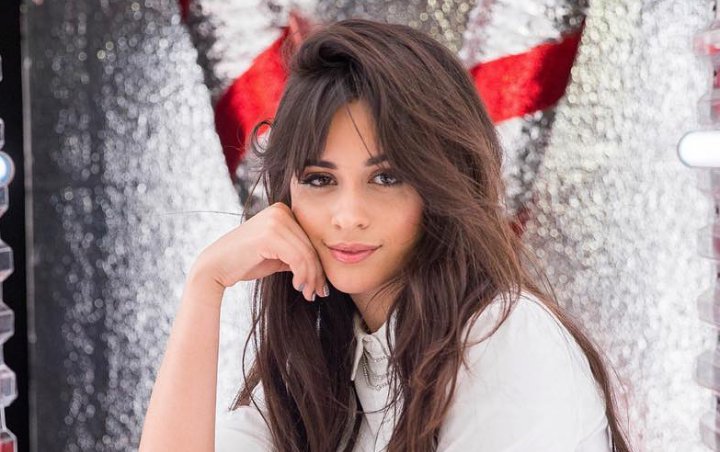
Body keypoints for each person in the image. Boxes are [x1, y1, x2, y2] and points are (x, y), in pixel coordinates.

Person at [139, 18, 633, 452]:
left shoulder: (504, 339)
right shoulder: (322, 369)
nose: (348, 215)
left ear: (442, 182)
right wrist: (205, 285)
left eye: (386, 177)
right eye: (320, 180)